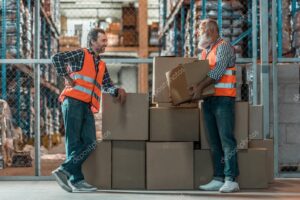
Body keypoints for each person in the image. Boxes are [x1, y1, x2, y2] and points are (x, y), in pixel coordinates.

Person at [51, 28, 127, 192]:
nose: (106, 44)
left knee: (90, 142)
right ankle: (76, 180)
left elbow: (107, 85)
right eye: (103, 40)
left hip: (86, 105)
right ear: (92, 41)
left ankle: (64, 170)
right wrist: (66, 77)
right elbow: (56, 58)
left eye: (106, 41)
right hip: (72, 101)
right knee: (74, 143)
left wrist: (117, 91)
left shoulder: (101, 64)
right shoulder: (80, 54)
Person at [189, 19, 239, 193]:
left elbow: (218, 72)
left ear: (209, 31)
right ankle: (218, 177)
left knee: (226, 139)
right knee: (214, 141)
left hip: (223, 100)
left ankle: (231, 179)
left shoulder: (224, 46)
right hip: (208, 100)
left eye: (200, 31)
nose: (197, 34)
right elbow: (198, 73)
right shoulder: (205, 51)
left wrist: (199, 87)